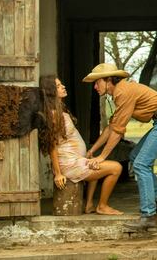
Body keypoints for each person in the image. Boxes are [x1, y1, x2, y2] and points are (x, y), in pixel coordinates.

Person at [83, 63, 157, 232]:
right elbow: (111, 127)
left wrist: (102, 158)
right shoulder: (120, 92)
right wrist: (93, 150)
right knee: (136, 157)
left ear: (108, 80)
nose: (94, 86)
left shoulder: (122, 92)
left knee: (140, 164)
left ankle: (149, 217)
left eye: (97, 82)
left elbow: (117, 132)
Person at [38, 75, 124, 215]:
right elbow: (51, 145)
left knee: (94, 161)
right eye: (59, 86)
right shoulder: (53, 115)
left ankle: (89, 204)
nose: (63, 87)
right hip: (70, 164)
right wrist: (58, 173)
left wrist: (88, 153)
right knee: (116, 168)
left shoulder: (60, 111)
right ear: (50, 91)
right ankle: (102, 206)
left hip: (77, 160)